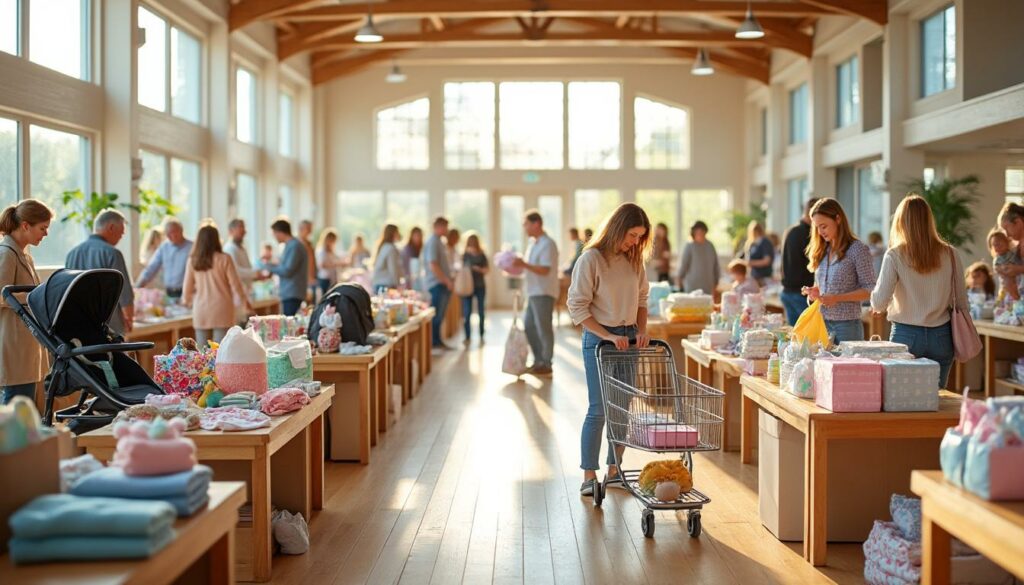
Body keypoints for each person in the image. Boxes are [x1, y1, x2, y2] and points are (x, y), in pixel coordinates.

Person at [567, 202, 651, 496]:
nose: (636, 242)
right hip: (600, 340)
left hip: (629, 339)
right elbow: (577, 307)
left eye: (640, 236)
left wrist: (641, 330)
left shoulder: (635, 260)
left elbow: (642, 300)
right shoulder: (591, 259)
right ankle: (589, 475)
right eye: (632, 235)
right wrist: (606, 335)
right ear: (618, 228)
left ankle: (614, 470)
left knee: (622, 408)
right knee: (599, 409)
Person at [871, 195, 967, 387]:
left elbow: (879, 303)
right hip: (942, 336)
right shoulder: (950, 253)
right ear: (929, 220)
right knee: (936, 397)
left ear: (900, 222)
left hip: (906, 335)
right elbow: (962, 301)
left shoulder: (894, 255)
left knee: (902, 395)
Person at [803, 198, 877, 344]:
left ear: (838, 219)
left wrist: (837, 298)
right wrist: (815, 292)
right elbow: (825, 288)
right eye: (817, 227)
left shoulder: (858, 249)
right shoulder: (823, 250)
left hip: (847, 327)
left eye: (824, 226)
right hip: (822, 324)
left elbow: (871, 289)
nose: (820, 232)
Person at [0, 200, 52, 403]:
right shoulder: (6, 253)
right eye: (43, 228)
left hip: (25, 345)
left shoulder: (24, 255)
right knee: (16, 406)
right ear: (25, 226)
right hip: (14, 345)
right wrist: (36, 296)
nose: (46, 234)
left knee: (23, 405)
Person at [66, 209, 135, 336]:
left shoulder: (72, 254)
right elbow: (124, 293)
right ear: (111, 227)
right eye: (121, 234)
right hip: (109, 327)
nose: (120, 238)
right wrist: (129, 318)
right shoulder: (112, 253)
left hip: (79, 324)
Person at [182, 222, 252, 347]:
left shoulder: (192, 261)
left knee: (202, 353)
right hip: (222, 310)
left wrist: (187, 302)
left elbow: (186, 292)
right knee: (221, 351)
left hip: (201, 311)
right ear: (216, 239)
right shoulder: (225, 258)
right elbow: (236, 286)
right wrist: (245, 305)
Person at [513, 210, 559, 377]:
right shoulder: (533, 243)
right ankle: (539, 360)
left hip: (543, 292)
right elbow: (529, 267)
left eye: (526, 224)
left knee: (543, 328)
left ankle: (546, 363)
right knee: (529, 326)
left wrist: (524, 264)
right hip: (532, 292)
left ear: (536, 224)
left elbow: (545, 270)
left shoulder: (548, 244)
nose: (524, 228)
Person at [780, 198, 819, 326]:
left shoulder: (790, 231)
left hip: (787, 291)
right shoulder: (809, 234)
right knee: (808, 334)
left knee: (795, 334)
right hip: (801, 293)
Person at [259, 219, 309, 316]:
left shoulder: (294, 246)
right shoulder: (290, 246)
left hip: (293, 293)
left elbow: (287, 270)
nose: (274, 237)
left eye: (274, 234)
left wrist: (267, 266)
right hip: (290, 292)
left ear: (280, 232)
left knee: (289, 321)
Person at [136, 218, 193, 299]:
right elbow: (151, 269)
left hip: (187, 293)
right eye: (167, 234)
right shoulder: (164, 247)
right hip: (169, 293)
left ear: (181, 230)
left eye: (172, 232)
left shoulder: (192, 247)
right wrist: (136, 287)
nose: (169, 236)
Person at [424, 216, 454, 349]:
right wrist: (446, 281)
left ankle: (438, 341)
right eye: (445, 226)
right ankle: (434, 342)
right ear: (438, 226)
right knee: (436, 315)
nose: (447, 229)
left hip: (442, 284)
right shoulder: (433, 242)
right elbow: (433, 264)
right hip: (437, 284)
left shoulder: (439, 241)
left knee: (440, 315)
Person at [222, 219, 259, 325]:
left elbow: (248, 268)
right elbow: (236, 271)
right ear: (231, 231)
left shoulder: (242, 248)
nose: (244, 231)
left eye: (244, 228)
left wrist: (256, 274)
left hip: (246, 294)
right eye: (240, 228)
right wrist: (255, 273)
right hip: (237, 297)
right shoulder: (229, 249)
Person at [459, 232, 490, 346]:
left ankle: (481, 334)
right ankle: (467, 336)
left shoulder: (482, 255)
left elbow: (487, 270)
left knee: (481, 311)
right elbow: (460, 269)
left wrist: (478, 269)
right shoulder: (465, 255)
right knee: (467, 312)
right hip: (467, 287)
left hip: (480, 286)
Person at [676, 221, 720, 295]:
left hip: (708, 286)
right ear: (693, 233)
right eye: (698, 232)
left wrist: (716, 282)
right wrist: (679, 279)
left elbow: (716, 265)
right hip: (692, 286)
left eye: (702, 232)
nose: (700, 234)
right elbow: (684, 264)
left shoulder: (710, 246)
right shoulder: (689, 246)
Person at [996, 202, 1024, 290]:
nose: (1007, 235)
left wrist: (1019, 269)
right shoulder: (1015, 248)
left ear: (1018, 222)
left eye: (1006, 228)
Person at [987, 228, 1020, 301]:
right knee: (1008, 282)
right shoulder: (997, 260)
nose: (997, 247)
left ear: (1007, 243)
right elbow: (997, 269)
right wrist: (1004, 269)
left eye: (999, 244)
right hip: (1006, 280)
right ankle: (1016, 299)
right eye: (994, 245)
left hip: (1017, 277)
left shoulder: (1012, 253)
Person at [371, 224, 405, 290]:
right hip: (386, 285)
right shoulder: (391, 248)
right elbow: (393, 269)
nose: (399, 234)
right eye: (397, 231)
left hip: (379, 284)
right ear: (392, 233)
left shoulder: (384, 246)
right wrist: (398, 285)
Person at [741, 221, 774, 285]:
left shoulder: (765, 242)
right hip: (753, 276)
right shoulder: (751, 243)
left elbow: (767, 261)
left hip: (763, 276)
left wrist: (751, 263)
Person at [315, 228, 342, 297]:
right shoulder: (321, 251)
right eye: (333, 240)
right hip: (324, 278)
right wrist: (335, 264)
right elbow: (321, 265)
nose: (334, 242)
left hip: (332, 278)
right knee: (325, 297)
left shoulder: (331, 250)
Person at [298, 220, 317, 301]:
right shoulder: (297, 244)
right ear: (301, 229)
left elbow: (313, 261)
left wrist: (314, 276)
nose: (310, 231)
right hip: (302, 281)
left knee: (312, 303)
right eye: (308, 228)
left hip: (311, 279)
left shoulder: (309, 244)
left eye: (310, 228)